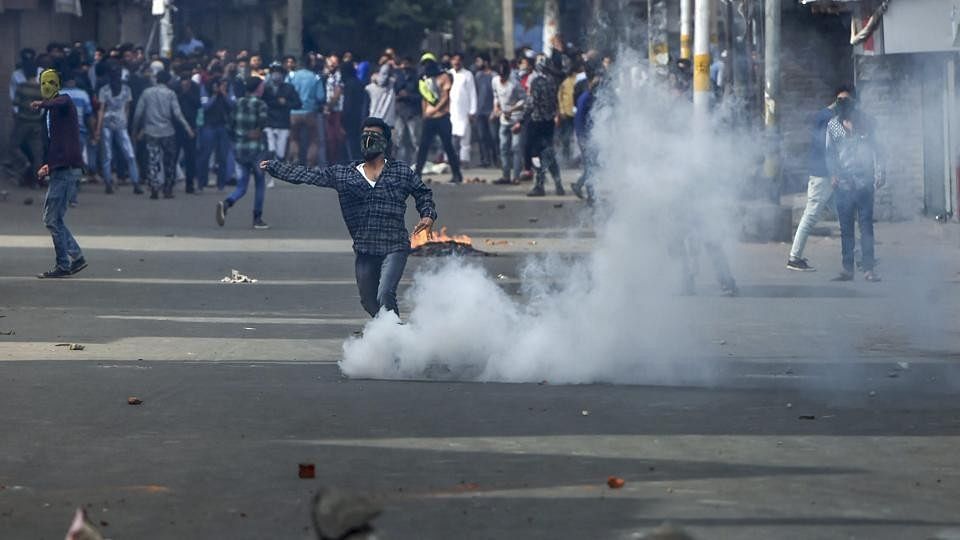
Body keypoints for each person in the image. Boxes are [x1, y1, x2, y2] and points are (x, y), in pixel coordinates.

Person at [260, 117, 437, 317]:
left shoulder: (401, 171)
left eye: (375, 136)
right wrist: (276, 168)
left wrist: (427, 215)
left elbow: (423, 193)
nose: (369, 140)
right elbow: (308, 175)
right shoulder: (344, 174)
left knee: (385, 294)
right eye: (365, 135)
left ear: (385, 142)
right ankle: (389, 333)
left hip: (394, 246)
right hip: (365, 249)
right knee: (368, 301)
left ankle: (396, 340)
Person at [787, 87, 853, 272]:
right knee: (811, 215)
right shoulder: (830, 119)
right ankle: (794, 257)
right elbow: (836, 144)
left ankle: (856, 255)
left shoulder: (822, 115)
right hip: (824, 174)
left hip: (824, 172)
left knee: (841, 212)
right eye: (846, 102)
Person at [33, 69, 87, 278]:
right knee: (54, 218)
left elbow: (60, 101)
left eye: (51, 82)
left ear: (58, 84)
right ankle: (74, 257)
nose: (46, 86)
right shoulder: (50, 113)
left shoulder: (63, 102)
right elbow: (56, 143)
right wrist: (49, 164)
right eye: (43, 82)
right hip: (60, 169)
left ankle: (65, 262)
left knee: (51, 219)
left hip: (67, 171)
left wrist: (42, 103)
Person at [826, 96, 883, 282]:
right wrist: (832, 174)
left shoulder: (866, 124)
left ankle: (868, 269)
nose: (846, 118)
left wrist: (881, 172)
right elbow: (830, 153)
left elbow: (878, 150)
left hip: (864, 182)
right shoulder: (833, 126)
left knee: (866, 227)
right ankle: (847, 268)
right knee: (846, 229)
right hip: (843, 184)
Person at [133, 70, 194, 199]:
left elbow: (138, 113)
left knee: (152, 160)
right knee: (169, 161)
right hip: (168, 131)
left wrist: (135, 130)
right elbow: (177, 114)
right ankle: (168, 189)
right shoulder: (170, 94)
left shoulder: (146, 93)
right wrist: (188, 128)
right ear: (168, 81)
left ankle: (154, 187)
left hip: (151, 131)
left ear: (156, 79)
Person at [218, 77, 269, 229]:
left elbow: (229, 125)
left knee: (242, 185)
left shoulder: (238, 103)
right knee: (260, 183)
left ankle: (227, 202)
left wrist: (238, 138)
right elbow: (263, 123)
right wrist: (256, 132)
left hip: (240, 149)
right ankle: (257, 218)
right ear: (258, 88)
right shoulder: (261, 104)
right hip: (256, 150)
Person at [415, 56, 463, 183]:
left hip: (442, 116)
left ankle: (457, 174)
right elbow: (424, 98)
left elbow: (445, 97)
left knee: (448, 146)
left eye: (427, 64)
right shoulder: (425, 80)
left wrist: (435, 110)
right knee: (423, 147)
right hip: (429, 118)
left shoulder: (444, 77)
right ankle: (417, 174)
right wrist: (425, 113)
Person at [95, 67, 141, 194]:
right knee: (109, 156)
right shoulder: (105, 90)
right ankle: (109, 183)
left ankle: (135, 182)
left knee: (129, 154)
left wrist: (126, 122)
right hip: (108, 124)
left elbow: (127, 108)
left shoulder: (126, 90)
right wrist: (98, 128)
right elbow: (101, 110)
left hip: (119, 124)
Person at [524, 52, 565, 197]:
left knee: (535, 154)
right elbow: (555, 103)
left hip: (536, 122)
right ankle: (558, 183)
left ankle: (539, 184)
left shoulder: (536, 83)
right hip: (549, 123)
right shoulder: (553, 82)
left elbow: (531, 103)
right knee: (549, 152)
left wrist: (521, 116)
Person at [262, 61, 302, 175]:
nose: (276, 75)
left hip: (283, 123)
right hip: (269, 122)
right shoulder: (265, 88)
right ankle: (269, 168)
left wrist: (285, 103)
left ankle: (278, 169)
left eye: (278, 72)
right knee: (271, 148)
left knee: (280, 152)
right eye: (274, 72)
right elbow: (263, 102)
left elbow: (298, 103)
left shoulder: (289, 88)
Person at [196, 76, 236, 191]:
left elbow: (233, 105)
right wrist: (214, 95)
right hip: (208, 126)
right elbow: (205, 106)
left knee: (223, 156)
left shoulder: (228, 89)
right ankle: (201, 182)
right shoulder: (205, 88)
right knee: (205, 155)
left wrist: (224, 94)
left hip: (223, 126)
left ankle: (221, 184)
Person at [10, 59, 44, 189]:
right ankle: (36, 182)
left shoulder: (22, 86)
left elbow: (16, 103)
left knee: (14, 146)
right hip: (36, 123)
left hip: (22, 122)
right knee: (37, 153)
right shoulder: (41, 89)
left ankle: (24, 163)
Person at [491, 59, 525, 185]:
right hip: (503, 119)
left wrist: (512, 109)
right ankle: (505, 175)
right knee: (503, 147)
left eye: (504, 76)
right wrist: (496, 107)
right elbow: (496, 96)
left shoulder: (514, 83)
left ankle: (515, 176)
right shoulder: (495, 81)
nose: (502, 79)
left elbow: (524, 100)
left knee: (516, 148)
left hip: (516, 117)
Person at [287, 55, 322, 166]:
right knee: (313, 139)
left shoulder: (292, 77)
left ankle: (295, 158)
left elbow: (285, 90)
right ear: (310, 64)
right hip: (310, 111)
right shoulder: (315, 77)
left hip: (294, 112)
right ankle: (310, 162)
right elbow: (320, 96)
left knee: (294, 138)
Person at [570, 76, 598, 204]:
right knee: (591, 165)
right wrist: (583, 138)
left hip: (587, 135)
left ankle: (588, 192)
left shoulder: (588, 97)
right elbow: (580, 119)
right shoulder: (586, 98)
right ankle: (584, 189)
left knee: (591, 165)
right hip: (585, 137)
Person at [175, 69, 202, 194]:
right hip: (177, 126)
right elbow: (174, 104)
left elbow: (198, 104)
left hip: (191, 125)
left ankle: (189, 184)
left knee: (190, 156)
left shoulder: (195, 88)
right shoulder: (175, 87)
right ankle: (169, 183)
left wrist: (188, 93)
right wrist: (182, 93)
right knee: (173, 155)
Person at [448, 53, 476, 166]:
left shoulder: (468, 75)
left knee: (465, 136)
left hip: (464, 110)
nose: (456, 62)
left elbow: (472, 93)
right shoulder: (448, 74)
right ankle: (452, 159)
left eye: (458, 60)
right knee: (451, 136)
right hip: (451, 110)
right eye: (454, 60)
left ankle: (464, 160)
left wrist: (472, 111)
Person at [393, 57, 421, 163]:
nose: (404, 67)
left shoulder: (417, 78)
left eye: (406, 64)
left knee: (415, 140)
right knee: (399, 140)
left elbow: (420, 96)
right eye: (402, 64)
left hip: (412, 112)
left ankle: (417, 163)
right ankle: (401, 163)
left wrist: (408, 95)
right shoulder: (398, 78)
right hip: (400, 112)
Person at [473, 55, 497, 168]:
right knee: (481, 137)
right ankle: (484, 159)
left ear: (486, 62)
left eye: (479, 61)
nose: (477, 63)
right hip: (480, 111)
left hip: (491, 110)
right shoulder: (478, 76)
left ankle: (496, 159)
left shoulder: (494, 76)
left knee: (493, 136)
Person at [340, 62, 366, 162]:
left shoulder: (348, 84)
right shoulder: (359, 83)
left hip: (350, 117)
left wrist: (343, 118)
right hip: (360, 115)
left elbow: (348, 103)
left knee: (350, 141)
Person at [324, 55, 345, 165]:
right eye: (329, 62)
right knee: (330, 138)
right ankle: (332, 161)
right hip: (331, 110)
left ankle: (336, 161)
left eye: (334, 62)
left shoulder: (338, 76)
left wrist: (328, 106)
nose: (331, 64)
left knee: (335, 137)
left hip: (336, 110)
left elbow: (337, 93)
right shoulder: (329, 75)